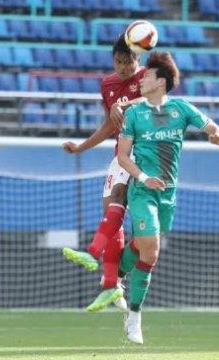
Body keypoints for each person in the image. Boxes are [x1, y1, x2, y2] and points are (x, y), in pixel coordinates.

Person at [117, 51, 219, 344]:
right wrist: (142, 177)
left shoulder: (182, 109)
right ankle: (134, 317)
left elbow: (217, 129)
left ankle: (115, 272)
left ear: (162, 81)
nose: (141, 79)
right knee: (151, 251)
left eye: (148, 75)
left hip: (168, 195)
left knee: (143, 247)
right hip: (141, 190)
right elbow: (122, 157)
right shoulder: (134, 113)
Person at [61, 33, 146, 312]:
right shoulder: (108, 84)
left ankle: (95, 256)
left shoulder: (148, 78)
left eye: (128, 62)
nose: (123, 68)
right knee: (111, 212)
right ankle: (112, 286)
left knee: (128, 213)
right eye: (118, 62)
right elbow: (110, 125)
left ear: (139, 59)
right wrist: (81, 147)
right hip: (120, 154)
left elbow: (156, 103)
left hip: (146, 152)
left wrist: (126, 104)